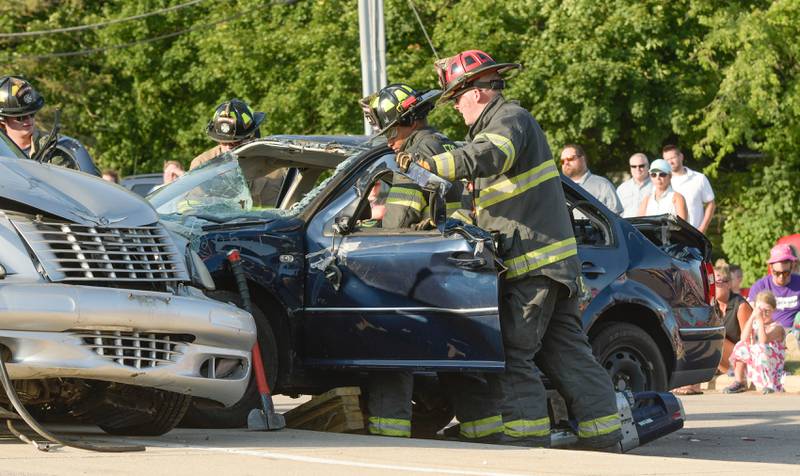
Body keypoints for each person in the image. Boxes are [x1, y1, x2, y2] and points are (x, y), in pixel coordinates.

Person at [399, 49, 622, 449]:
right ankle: (604, 437)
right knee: (566, 352)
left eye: (457, 99)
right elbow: (490, 205)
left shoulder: (509, 120)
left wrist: (434, 166)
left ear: (478, 91)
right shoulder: (498, 126)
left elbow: (488, 156)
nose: (456, 109)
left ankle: (526, 442)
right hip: (551, 264)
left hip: (534, 265)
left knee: (515, 353)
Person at [359, 83, 467, 230]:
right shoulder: (447, 145)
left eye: (390, 133)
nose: (389, 142)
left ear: (411, 121)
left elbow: (396, 226)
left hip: (431, 247)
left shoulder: (412, 159)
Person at [724, 291, 786, 394]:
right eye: (761, 310)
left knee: (760, 348)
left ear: (774, 311)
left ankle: (769, 385)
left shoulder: (777, 327)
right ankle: (739, 381)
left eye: (767, 311)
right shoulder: (755, 324)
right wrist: (752, 317)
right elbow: (743, 338)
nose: (764, 314)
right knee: (741, 346)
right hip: (756, 362)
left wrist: (760, 320)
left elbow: (763, 340)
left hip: (771, 366)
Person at [190, 99, 265, 170]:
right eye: (224, 142)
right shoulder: (201, 165)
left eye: (236, 142)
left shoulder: (266, 159)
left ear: (251, 137)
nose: (229, 147)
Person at [662, 145, 715, 233]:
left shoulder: (699, 178)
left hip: (695, 235)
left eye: (672, 158)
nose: (670, 162)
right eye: (666, 160)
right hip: (670, 236)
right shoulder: (662, 181)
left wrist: (702, 228)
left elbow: (711, 203)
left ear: (681, 156)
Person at [747, 244, 800, 331]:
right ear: (771, 268)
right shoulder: (760, 286)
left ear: (792, 266)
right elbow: (752, 314)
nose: (781, 277)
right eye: (777, 273)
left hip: (795, 333)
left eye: (786, 273)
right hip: (768, 332)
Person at [560, 144, 623, 214]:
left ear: (583, 159)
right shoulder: (559, 188)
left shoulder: (603, 185)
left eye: (570, 159)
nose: (566, 163)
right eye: (562, 161)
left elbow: (616, 217)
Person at [713, 263, 752, 375]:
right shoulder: (711, 307)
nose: (713, 287)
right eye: (711, 283)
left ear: (729, 284)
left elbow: (749, 342)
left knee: (714, 337)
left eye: (717, 283)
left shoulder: (741, 306)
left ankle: (693, 385)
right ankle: (691, 383)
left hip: (743, 360)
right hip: (722, 360)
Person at [0, 75, 47, 156]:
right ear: (2, 119)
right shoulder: (2, 155)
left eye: (32, 114)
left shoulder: (49, 150)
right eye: (21, 117)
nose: (28, 119)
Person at [616, 153, 653, 218]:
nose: (637, 169)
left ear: (648, 166)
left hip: (650, 226)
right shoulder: (622, 188)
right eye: (634, 166)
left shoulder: (657, 186)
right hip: (626, 226)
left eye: (641, 166)